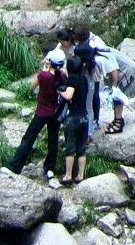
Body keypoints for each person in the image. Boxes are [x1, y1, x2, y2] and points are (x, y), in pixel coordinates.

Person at [6, 50, 67, 182]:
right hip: (55, 113)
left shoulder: (43, 76)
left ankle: (15, 166)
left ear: (50, 62)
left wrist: (42, 69)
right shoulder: (63, 77)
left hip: (42, 112)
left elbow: (31, 87)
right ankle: (50, 169)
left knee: (28, 138)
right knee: (53, 140)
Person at [58, 47, 96, 186]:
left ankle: (68, 176)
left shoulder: (73, 79)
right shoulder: (85, 79)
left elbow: (68, 95)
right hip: (84, 117)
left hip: (73, 117)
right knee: (81, 149)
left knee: (70, 148)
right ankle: (80, 175)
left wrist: (59, 90)